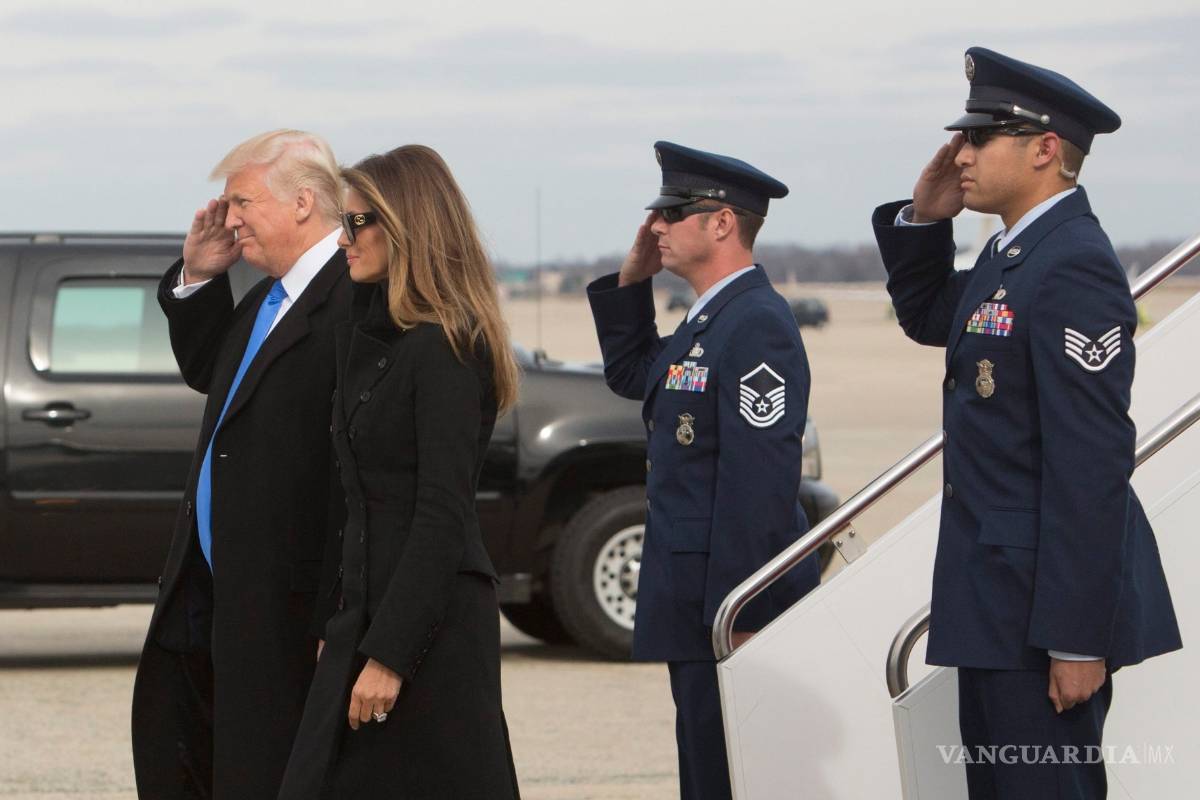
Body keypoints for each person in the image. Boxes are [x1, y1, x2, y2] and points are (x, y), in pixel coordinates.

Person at [872, 47, 1181, 798]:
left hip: (1040, 616)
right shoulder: (1014, 253)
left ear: (1046, 149)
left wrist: (1077, 636)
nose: (961, 154)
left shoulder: (1071, 263)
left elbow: (1091, 464)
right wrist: (923, 219)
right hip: (995, 601)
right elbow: (927, 316)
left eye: (981, 138)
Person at [277, 145, 522, 800]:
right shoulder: (380, 336)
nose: (344, 238)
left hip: (428, 634)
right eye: (344, 222)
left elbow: (441, 515)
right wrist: (344, 625)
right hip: (373, 616)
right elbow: (363, 506)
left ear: (407, 227)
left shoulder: (443, 348)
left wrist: (389, 653)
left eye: (359, 223)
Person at [586, 141, 821, 800]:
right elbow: (635, 374)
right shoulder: (708, 321)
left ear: (721, 223)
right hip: (696, 602)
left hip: (726, 609)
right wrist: (632, 282)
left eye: (672, 211)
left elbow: (759, 487)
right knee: (706, 773)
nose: (655, 225)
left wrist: (738, 611)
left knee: (728, 779)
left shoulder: (756, 324)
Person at [131, 130, 352, 799]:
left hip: (287, 604)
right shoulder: (266, 296)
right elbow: (212, 373)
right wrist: (199, 276)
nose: (228, 218)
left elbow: (356, 476)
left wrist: (336, 622)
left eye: (242, 202)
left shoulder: (352, 299)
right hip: (214, 591)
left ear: (304, 202)